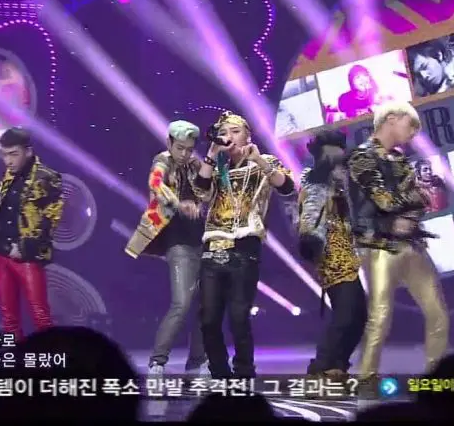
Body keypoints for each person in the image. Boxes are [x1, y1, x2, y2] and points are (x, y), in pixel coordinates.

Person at [347, 101, 449, 383]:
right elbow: (385, 201)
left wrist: (411, 213)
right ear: (391, 119)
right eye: (411, 126)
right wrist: (415, 198)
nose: (413, 133)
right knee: (380, 318)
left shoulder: (400, 159)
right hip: (379, 246)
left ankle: (436, 377)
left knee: (438, 313)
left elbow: (420, 203)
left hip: (411, 244)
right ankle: (366, 379)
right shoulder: (361, 157)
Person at [193, 111, 295, 379]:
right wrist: (211, 154)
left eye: (235, 131)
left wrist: (259, 160)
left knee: (239, 317)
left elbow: (287, 187)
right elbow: (200, 192)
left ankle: (244, 372)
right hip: (213, 244)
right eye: (224, 132)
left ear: (248, 136)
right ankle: (219, 373)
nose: (229, 136)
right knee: (208, 319)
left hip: (244, 247)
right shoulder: (217, 168)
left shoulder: (264, 162)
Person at [125, 120, 207, 376]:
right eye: (180, 148)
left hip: (203, 240)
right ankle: (157, 361)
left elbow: (209, 190)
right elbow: (156, 184)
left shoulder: (195, 164)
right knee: (181, 303)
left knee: (206, 304)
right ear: (169, 143)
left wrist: (201, 204)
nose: (184, 154)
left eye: (189, 149)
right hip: (177, 242)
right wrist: (180, 204)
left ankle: (197, 360)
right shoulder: (162, 161)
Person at [0, 127, 63, 341]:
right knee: (8, 317)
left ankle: (51, 359)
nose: (8, 161)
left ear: (28, 151)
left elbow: (51, 219)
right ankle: (16, 358)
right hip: (2, 252)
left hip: (27, 256)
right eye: (5, 155)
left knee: (40, 316)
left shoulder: (47, 177)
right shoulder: (10, 175)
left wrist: (24, 247)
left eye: (14, 154)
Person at [297, 130, 367, 380]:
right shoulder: (315, 181)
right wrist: (311, 240)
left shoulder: (340, 181)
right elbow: (310, 216)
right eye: (335, 149)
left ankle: (337, 364)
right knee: (346, 313)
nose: (340, 153)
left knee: (359, 315)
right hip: (330, 255)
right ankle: (322, 366)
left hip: (347, 253)